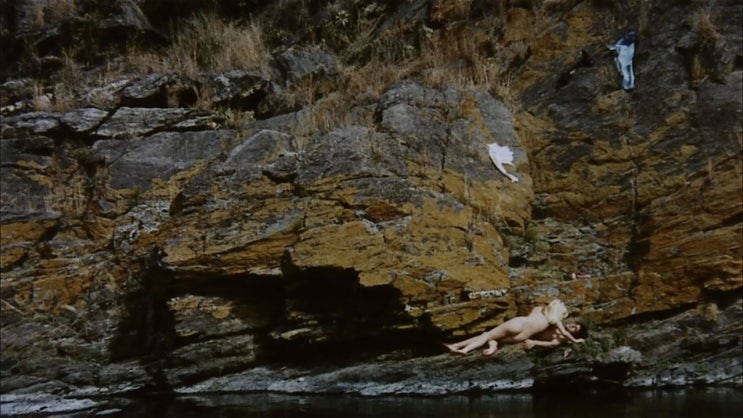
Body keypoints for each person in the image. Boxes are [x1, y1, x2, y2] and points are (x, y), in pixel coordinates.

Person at [443, 299, 585, 356]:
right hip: (522, 336)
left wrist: (574, 340)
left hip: (519, 324)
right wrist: (575, 341)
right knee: (494, 338)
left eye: (575, 328)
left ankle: (463, 349)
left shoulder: (539, 309)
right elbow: (565, 335)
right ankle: (492, 347)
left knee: (487, 335)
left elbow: (562, 337)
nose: (572, 325)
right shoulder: (555, 322)